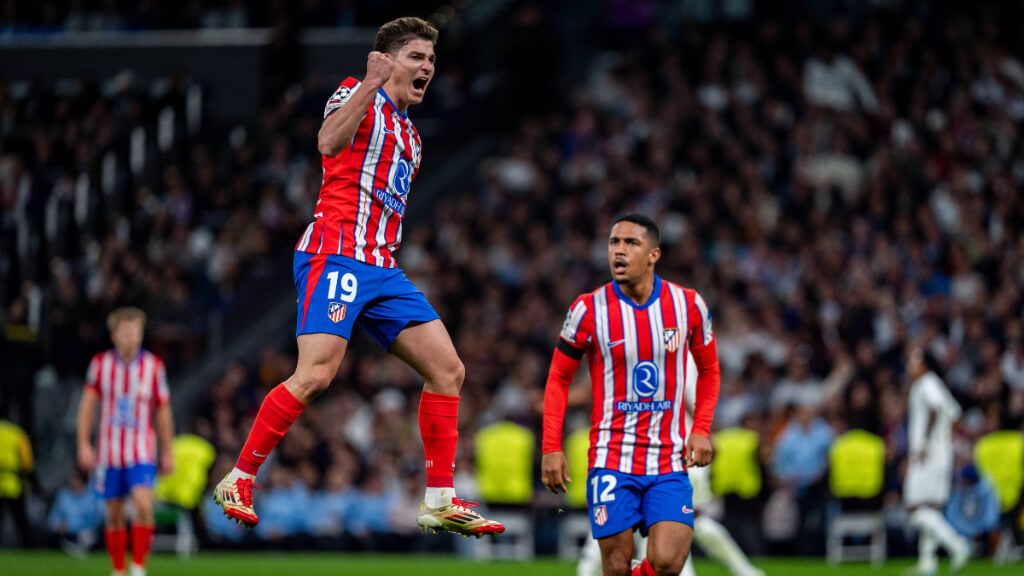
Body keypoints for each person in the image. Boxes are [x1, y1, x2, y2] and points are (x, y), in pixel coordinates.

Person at [212, 16, 503, 538]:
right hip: (337, 254)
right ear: (387, 60)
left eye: (431, 61)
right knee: (317, 375)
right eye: (417, 57)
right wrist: (369, 83)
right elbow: (326, 143)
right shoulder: (354, 93)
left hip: (382, 267)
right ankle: (239, 477)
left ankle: (438, 498)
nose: (427, 68)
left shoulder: (411, 136)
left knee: (448, 370)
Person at [542, 213, 721, 576]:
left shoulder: (687, 305)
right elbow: (559, 378)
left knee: (669, 562)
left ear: (654, 254)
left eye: (631, 243)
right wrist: (550, 446)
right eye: (613, 243)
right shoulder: (588, 309)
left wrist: (701, 428)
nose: (619, 252)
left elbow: (709, 370)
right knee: (617, 565)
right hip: (612, 459)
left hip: (668, 460)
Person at [577, 354, 764, 576]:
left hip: (669, 447)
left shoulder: (667, 346)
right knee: (683, 519)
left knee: (679, 519)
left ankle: (589, 568)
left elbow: (681, 394)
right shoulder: (683, 347)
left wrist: (702, 431)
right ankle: (741, 570)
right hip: (667, 446)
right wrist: (704, 431)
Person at [77, 307, 175, 576]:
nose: (132, 337)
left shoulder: (154, 366)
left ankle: (138, 566)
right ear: (114, 335)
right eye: (126, 331)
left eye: (136, 331)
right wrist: (84, 443)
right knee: (114, 514)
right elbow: (87, 406)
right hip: (109, 452)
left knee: (144, 505)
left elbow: (163, 410)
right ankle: (118, 569)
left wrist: (167, 450)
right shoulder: (100, 364)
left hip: (141, 450)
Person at [904, 347, 970, 575]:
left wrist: (925, 444)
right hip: (941, 453)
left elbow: (936, 408)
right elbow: (955, 414)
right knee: (930, 507)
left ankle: (957, 544)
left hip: (927, 454)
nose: (910, 365)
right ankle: (927, 562)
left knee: (914, 508)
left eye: (914, 360)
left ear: (925, 364)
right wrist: (947, 443)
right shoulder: (936, 383)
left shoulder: (925, 383)